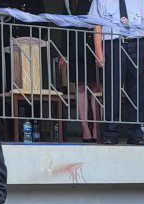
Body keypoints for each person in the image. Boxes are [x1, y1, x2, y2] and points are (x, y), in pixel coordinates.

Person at [89, 0, 144, 145]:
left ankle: (136, 133)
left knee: (137, 90)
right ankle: (110, 133)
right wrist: (98, 51)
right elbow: (97, 25)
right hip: (113, 44)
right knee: (112, 89)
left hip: (137, 43)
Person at [62, 0, 102, 143]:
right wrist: (64, 53)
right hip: (76, 47)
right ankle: (85, 130)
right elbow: (65, 25)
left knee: (97, 87)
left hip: (96, 46)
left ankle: (97, 129)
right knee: (80, 87)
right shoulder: (70, 2)